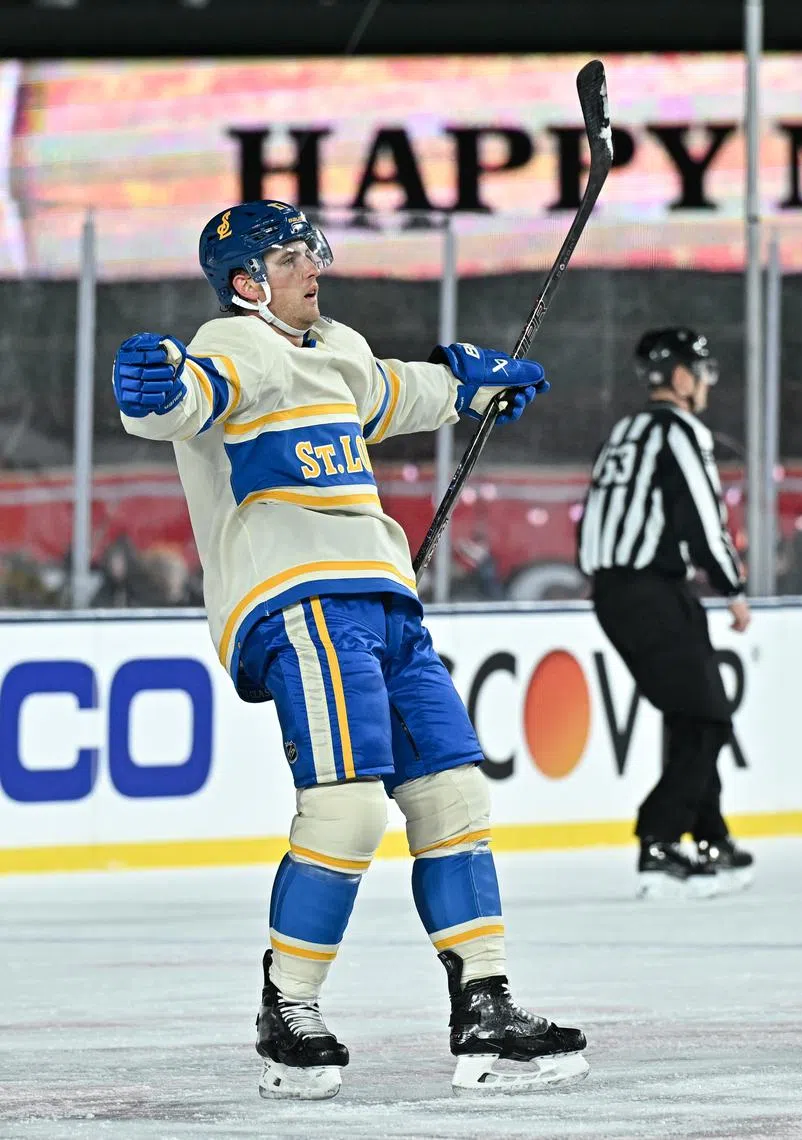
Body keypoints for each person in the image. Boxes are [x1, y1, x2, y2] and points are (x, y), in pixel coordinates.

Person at [110, 200, 586, 1101]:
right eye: (291, 258)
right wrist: (156, 390)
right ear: (248, 282)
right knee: (349, 812)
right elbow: (189, 399)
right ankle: (287, 1010)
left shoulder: (337, 349)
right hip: (301, 601)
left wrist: (471, 383)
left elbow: (394, 391)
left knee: (453, 794)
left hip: (385, 602)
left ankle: (484, 1002)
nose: (312, 267)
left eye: (311, 251)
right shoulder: (234, 344)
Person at [576, 326, 754, 900]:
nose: (704, 383)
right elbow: (702, 517)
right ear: (680, 376)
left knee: (691, 715)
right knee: (706, 718)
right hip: (651, 591)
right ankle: (659, 839)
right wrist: (733, 586)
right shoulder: (680, 431)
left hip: (618, 591)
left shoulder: (625, 432)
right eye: (699, 370)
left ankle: (711, 836)